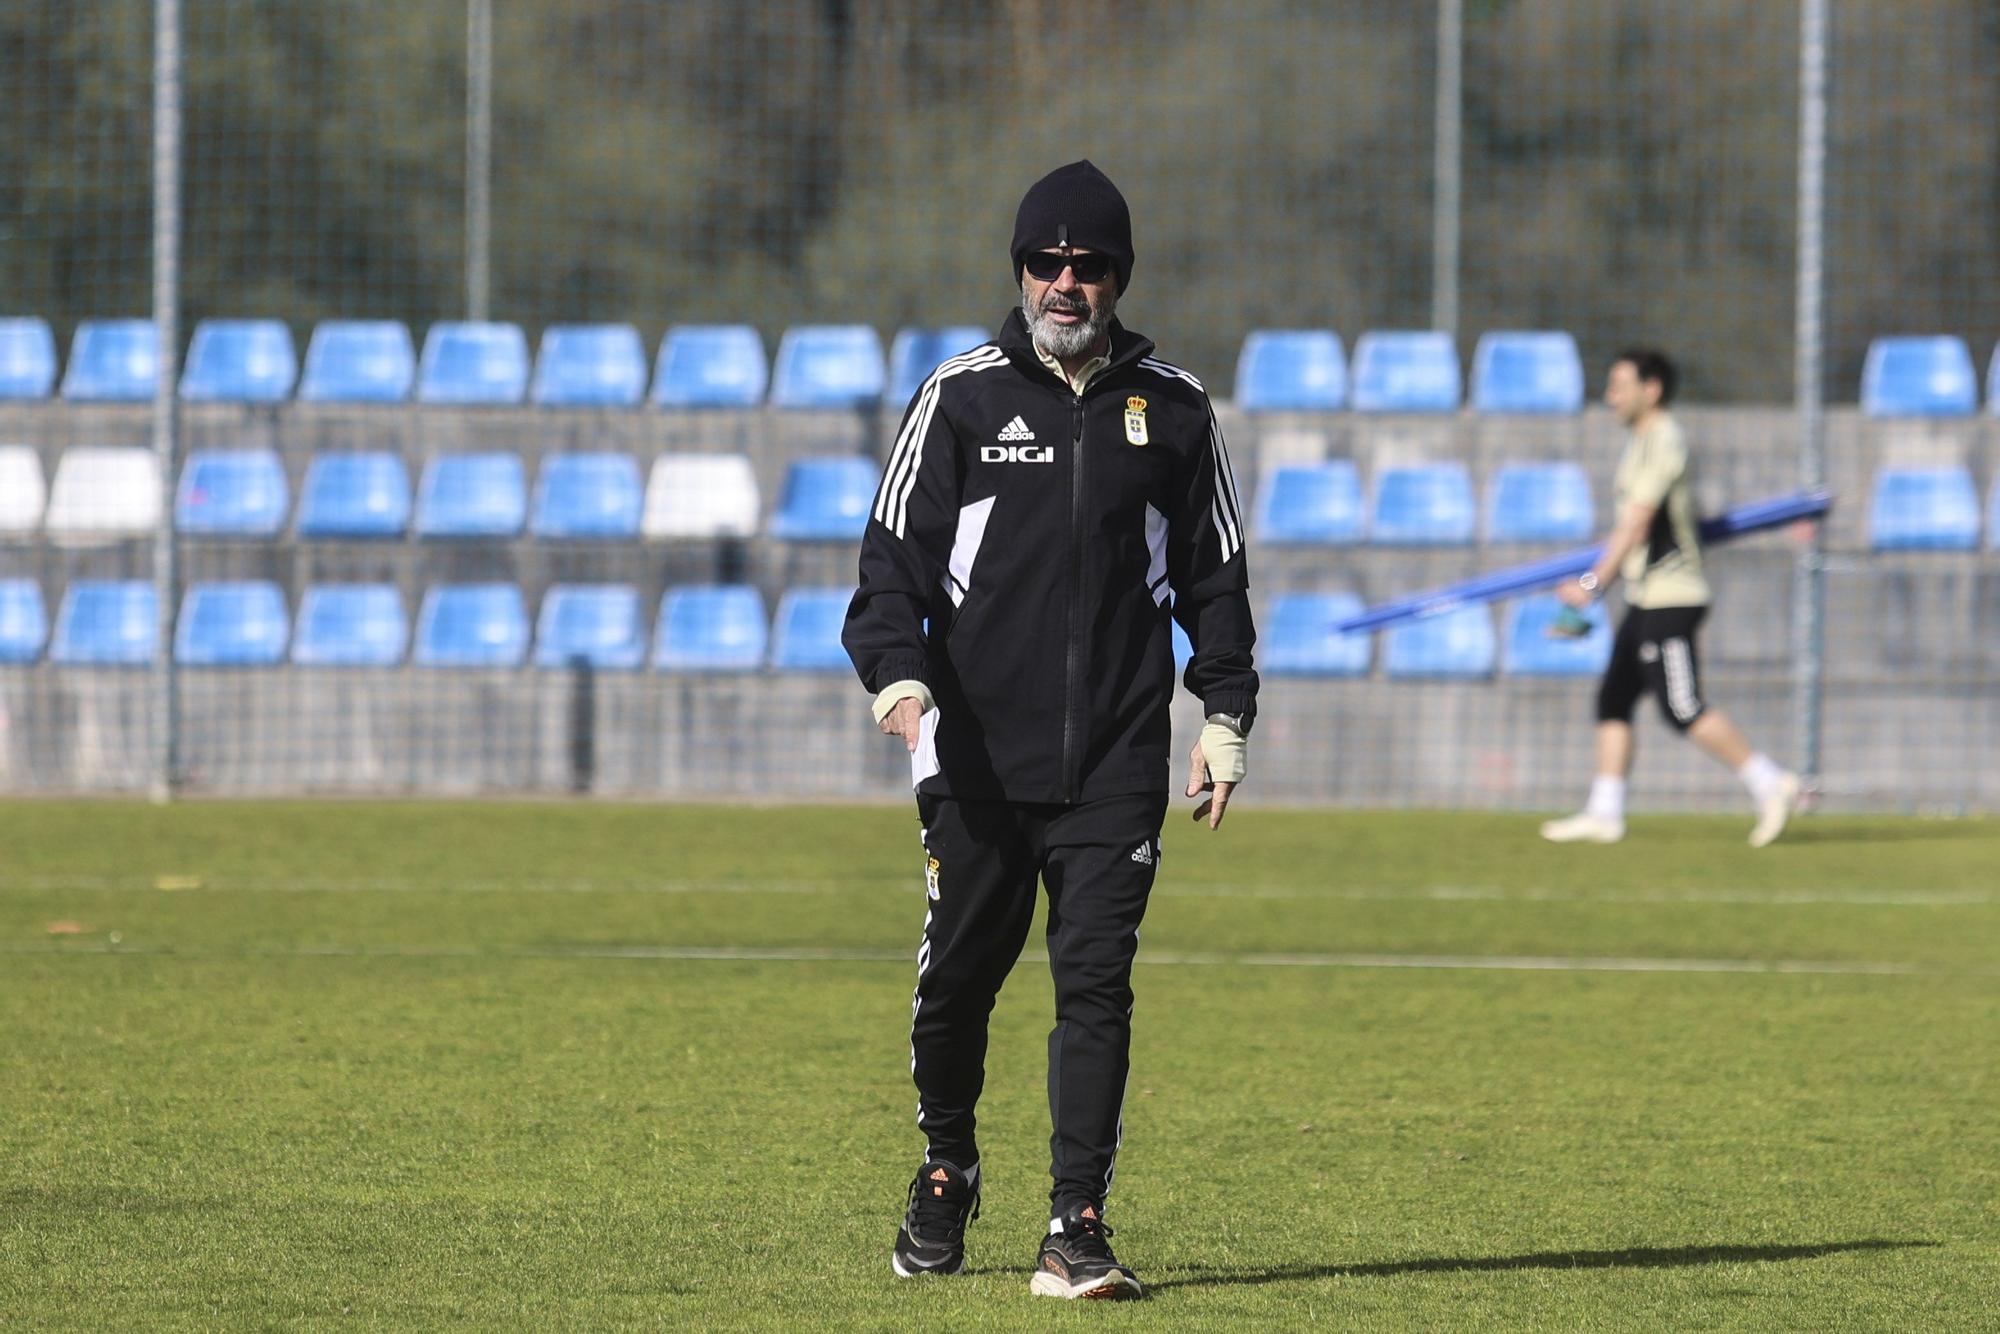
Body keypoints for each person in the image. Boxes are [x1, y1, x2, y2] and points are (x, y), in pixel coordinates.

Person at [842, 160, 1259, 1300]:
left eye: (1088, 264)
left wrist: (1221, 716)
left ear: (1119, 275)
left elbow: (1215, 580)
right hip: (973, 759)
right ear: (1019, 270)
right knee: (955, 985)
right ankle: (946, 1163)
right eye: (1047, 262)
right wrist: (898, 682)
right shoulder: (960, 399)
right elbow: (887, 571)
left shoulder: (1173, 410)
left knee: (1096, 986)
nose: (1065, 282)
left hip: (1116, 761)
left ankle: (1074, 1222)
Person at [1541, 348, 1800, 848]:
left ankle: (1770, 783)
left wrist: (1593, 586)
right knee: (1613, 698)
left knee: (1682, 707)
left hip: (1670, 596)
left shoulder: (1663, 440)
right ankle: (1604, 811)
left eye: (1619, 385)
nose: (1609, 397)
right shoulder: (1640, 443)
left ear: (1651, 389)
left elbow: (1637, 523)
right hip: (1645, 595)